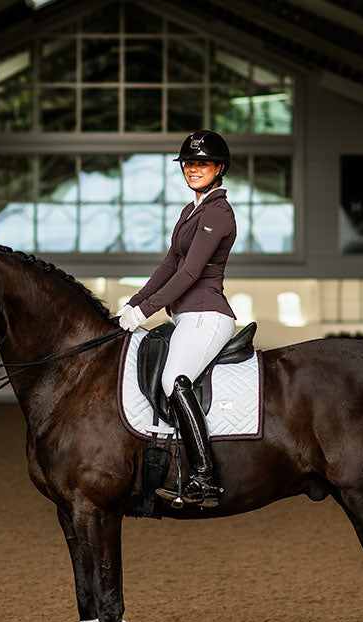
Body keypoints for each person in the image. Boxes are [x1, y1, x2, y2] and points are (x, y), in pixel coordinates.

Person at [117, 130, 237, 508]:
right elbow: (168, 264)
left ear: (219, 168)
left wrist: (145, 311)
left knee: (173, 379)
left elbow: (189, 274)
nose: (193, 169)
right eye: (189, 163)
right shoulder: (191, 211)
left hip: (206, 314)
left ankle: (204, 476)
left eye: (202, 163)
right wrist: (131, 304)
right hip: (186, 316)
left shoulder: (218, 212)